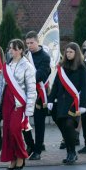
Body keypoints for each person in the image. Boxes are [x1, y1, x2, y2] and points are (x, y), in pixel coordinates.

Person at [0, 38, 36, 170]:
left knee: (14, 129)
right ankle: (12, 158)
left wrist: (29, 108)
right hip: (7, 100)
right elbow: (0, 85)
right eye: (10, 48)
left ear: (21, 50)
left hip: (19, 102)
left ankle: (21, 156)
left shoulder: (27, 66)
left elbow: (31, 89)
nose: (11, 50)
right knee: (6, 131)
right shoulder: (6, 66)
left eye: (14, 48)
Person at [48, 42, 86, 165]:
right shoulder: (62, 67)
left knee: (69, 126)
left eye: (71, 52)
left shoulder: (82, 67)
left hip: (74, 103)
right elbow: (56, 85)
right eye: (67, 52)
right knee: (64, 129)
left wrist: (83, 105)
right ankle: (70, 152)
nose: (68, 54)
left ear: (76, 53)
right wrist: (50, 99)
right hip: (61, 102)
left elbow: (85, 87)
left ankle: (72, 153)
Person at [25, 31, 51, 160]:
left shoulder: (45, 57)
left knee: (39, 123)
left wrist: (23, 79)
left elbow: (41, 75)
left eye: (32, 43)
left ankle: (38, 149)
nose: (29, 45)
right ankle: (30, 145)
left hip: (39, 94)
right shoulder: (25, 55)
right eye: (27, 43)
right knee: (23, 121)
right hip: (25, 93)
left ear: (37, 41)